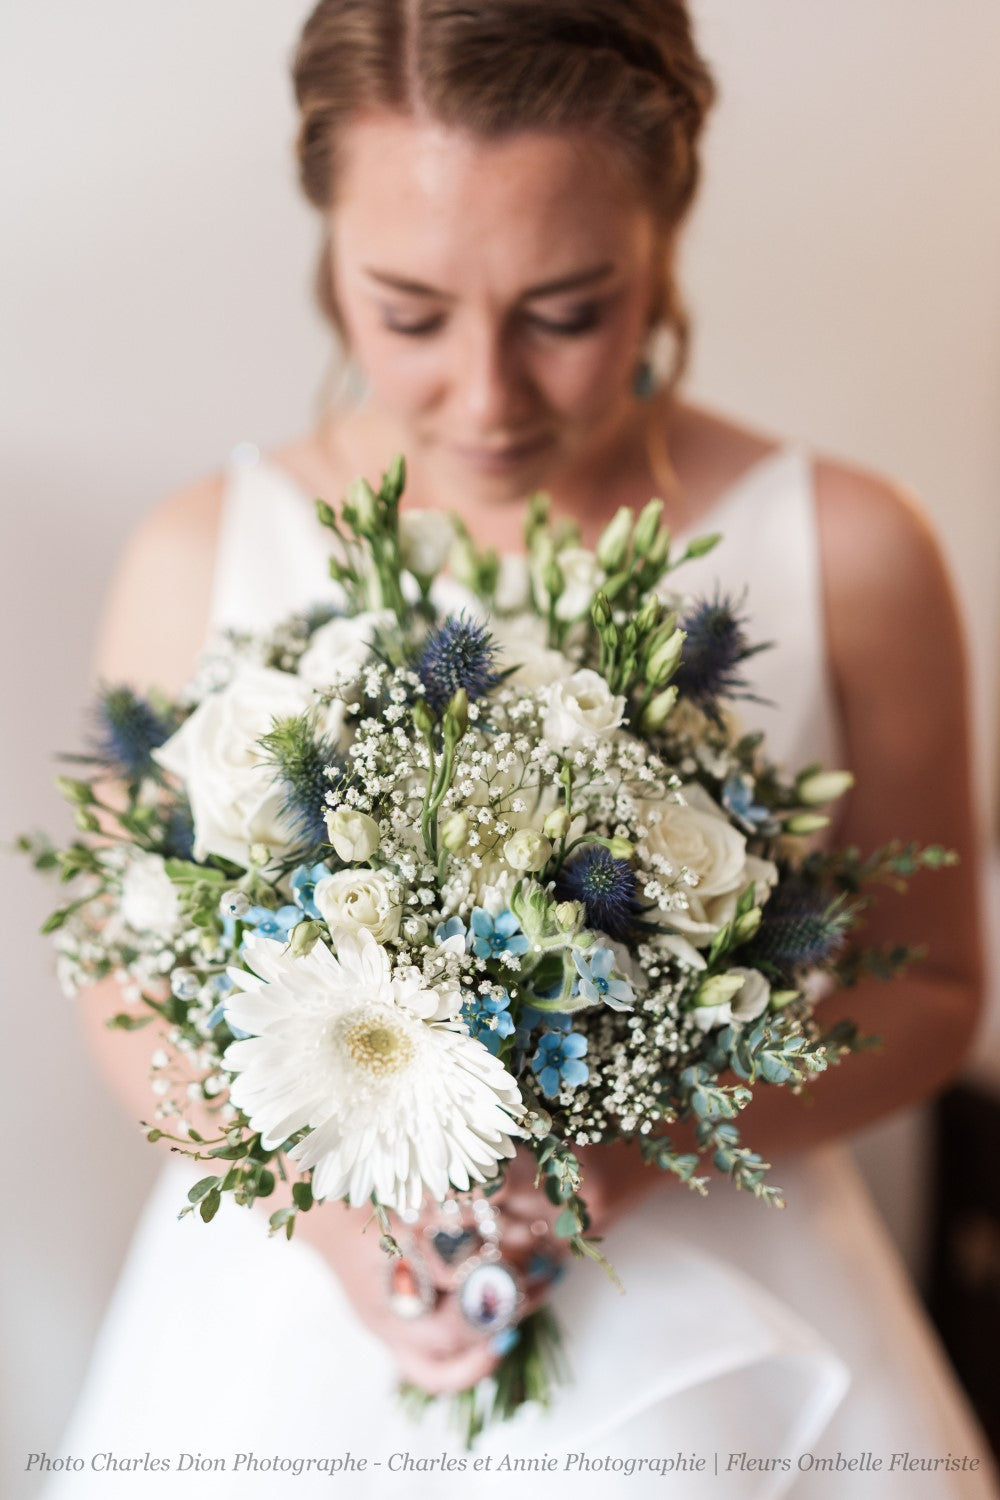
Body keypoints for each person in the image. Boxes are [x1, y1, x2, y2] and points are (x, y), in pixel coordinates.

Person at [45, 2, 997, 1495]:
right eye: (410, 312)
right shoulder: (202, 551)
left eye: (569, 309)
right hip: (281, 1345)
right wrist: (317, 1201)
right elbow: (116, 965)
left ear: (667, 228)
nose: (487, 396)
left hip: (722, 1349)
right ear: (326, 244)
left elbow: (935, 985)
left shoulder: (854, 551)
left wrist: (645, 1134)